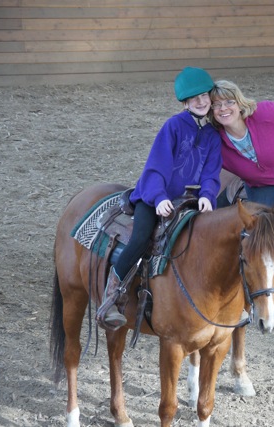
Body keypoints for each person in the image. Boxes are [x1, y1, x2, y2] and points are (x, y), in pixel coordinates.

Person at [96, 67, 222, 331]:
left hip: (190, 200)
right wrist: (159, 197)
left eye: (204, 96)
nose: (201, 102)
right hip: (154, 197)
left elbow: (211, 173)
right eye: (194, 98)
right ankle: (113, 296)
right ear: (185, 102)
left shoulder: (212, 135)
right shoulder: (173, 126)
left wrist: (208, 196)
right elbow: (156, 167)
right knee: (141, 238)